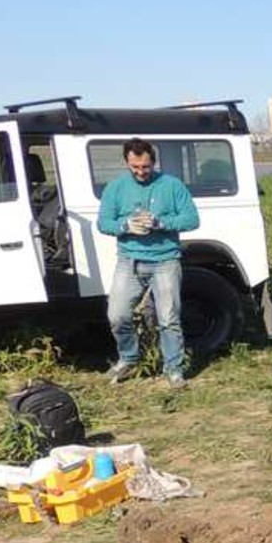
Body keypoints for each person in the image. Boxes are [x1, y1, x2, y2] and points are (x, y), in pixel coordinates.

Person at [96, 138, 200, 389]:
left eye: (145, 166)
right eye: (135, 167)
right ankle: (129, 358)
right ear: (127, 163)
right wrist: (125, 226)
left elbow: (192, 219)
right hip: (129, 261)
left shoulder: (172, 186)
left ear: (153, 162)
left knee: (168, 318)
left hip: (165, 260)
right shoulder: (116, 188)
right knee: (117, 315)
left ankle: (173, 369)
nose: (141, 172)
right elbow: (103, 223)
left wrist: (160, 223)